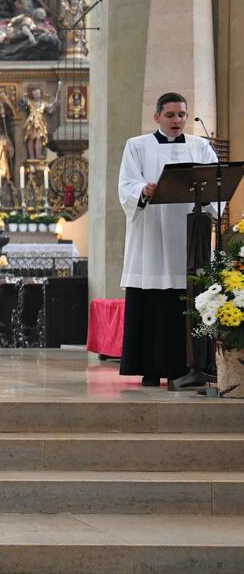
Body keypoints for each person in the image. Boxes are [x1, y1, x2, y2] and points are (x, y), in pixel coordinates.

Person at [119, 92, 221, 387]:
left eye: (182, 115)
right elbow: (126, 183)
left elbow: (216, 183)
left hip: (189, 238)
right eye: (170, 115)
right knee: (153, 302)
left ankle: (190, 366)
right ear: (157, 117)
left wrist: (211, 202)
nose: (177, 120)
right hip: (151, 235)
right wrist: (143, 189)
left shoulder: (200, 146)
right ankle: (150, 367)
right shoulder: (137, 146)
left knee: (186, 298)